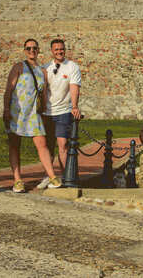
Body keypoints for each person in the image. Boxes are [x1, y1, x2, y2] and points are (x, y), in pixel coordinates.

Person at [3, 39, 61, 193]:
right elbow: (9, 89)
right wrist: (6, 109)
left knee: (41, 143)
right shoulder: (19, 67)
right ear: (24, 50)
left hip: (34, 114)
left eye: (34, 48)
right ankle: (17, 180)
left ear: (38, 50)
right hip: (17, 111)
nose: (31, 51)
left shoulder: (42, 71)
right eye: (28, 48)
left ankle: (52, 176)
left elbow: (43, 93)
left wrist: (44, 110)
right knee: (15, 145)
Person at [36, 38, 82, 190]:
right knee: (47, 146)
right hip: (47, 112)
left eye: (61, 49)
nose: (59, 52)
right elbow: (41, 90)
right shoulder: (45, 68)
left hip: (63, 111)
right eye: (56, 50)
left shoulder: (72, 67)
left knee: (63, 144)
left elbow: (74, 87)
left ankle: (65, 176)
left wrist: (74, 106)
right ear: (52, 51)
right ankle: (48, 176)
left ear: (65, 49)